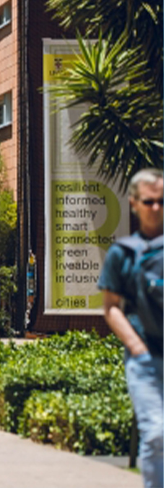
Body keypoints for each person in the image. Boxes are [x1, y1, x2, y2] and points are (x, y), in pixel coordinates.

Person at [99, 169, 163, 488]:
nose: (156, 208)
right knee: (156, 434)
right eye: (149, 202)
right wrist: (136, 348)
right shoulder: (122, 253)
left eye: (162, 202)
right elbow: (111, 307)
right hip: (146, 361)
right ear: (134, 203)